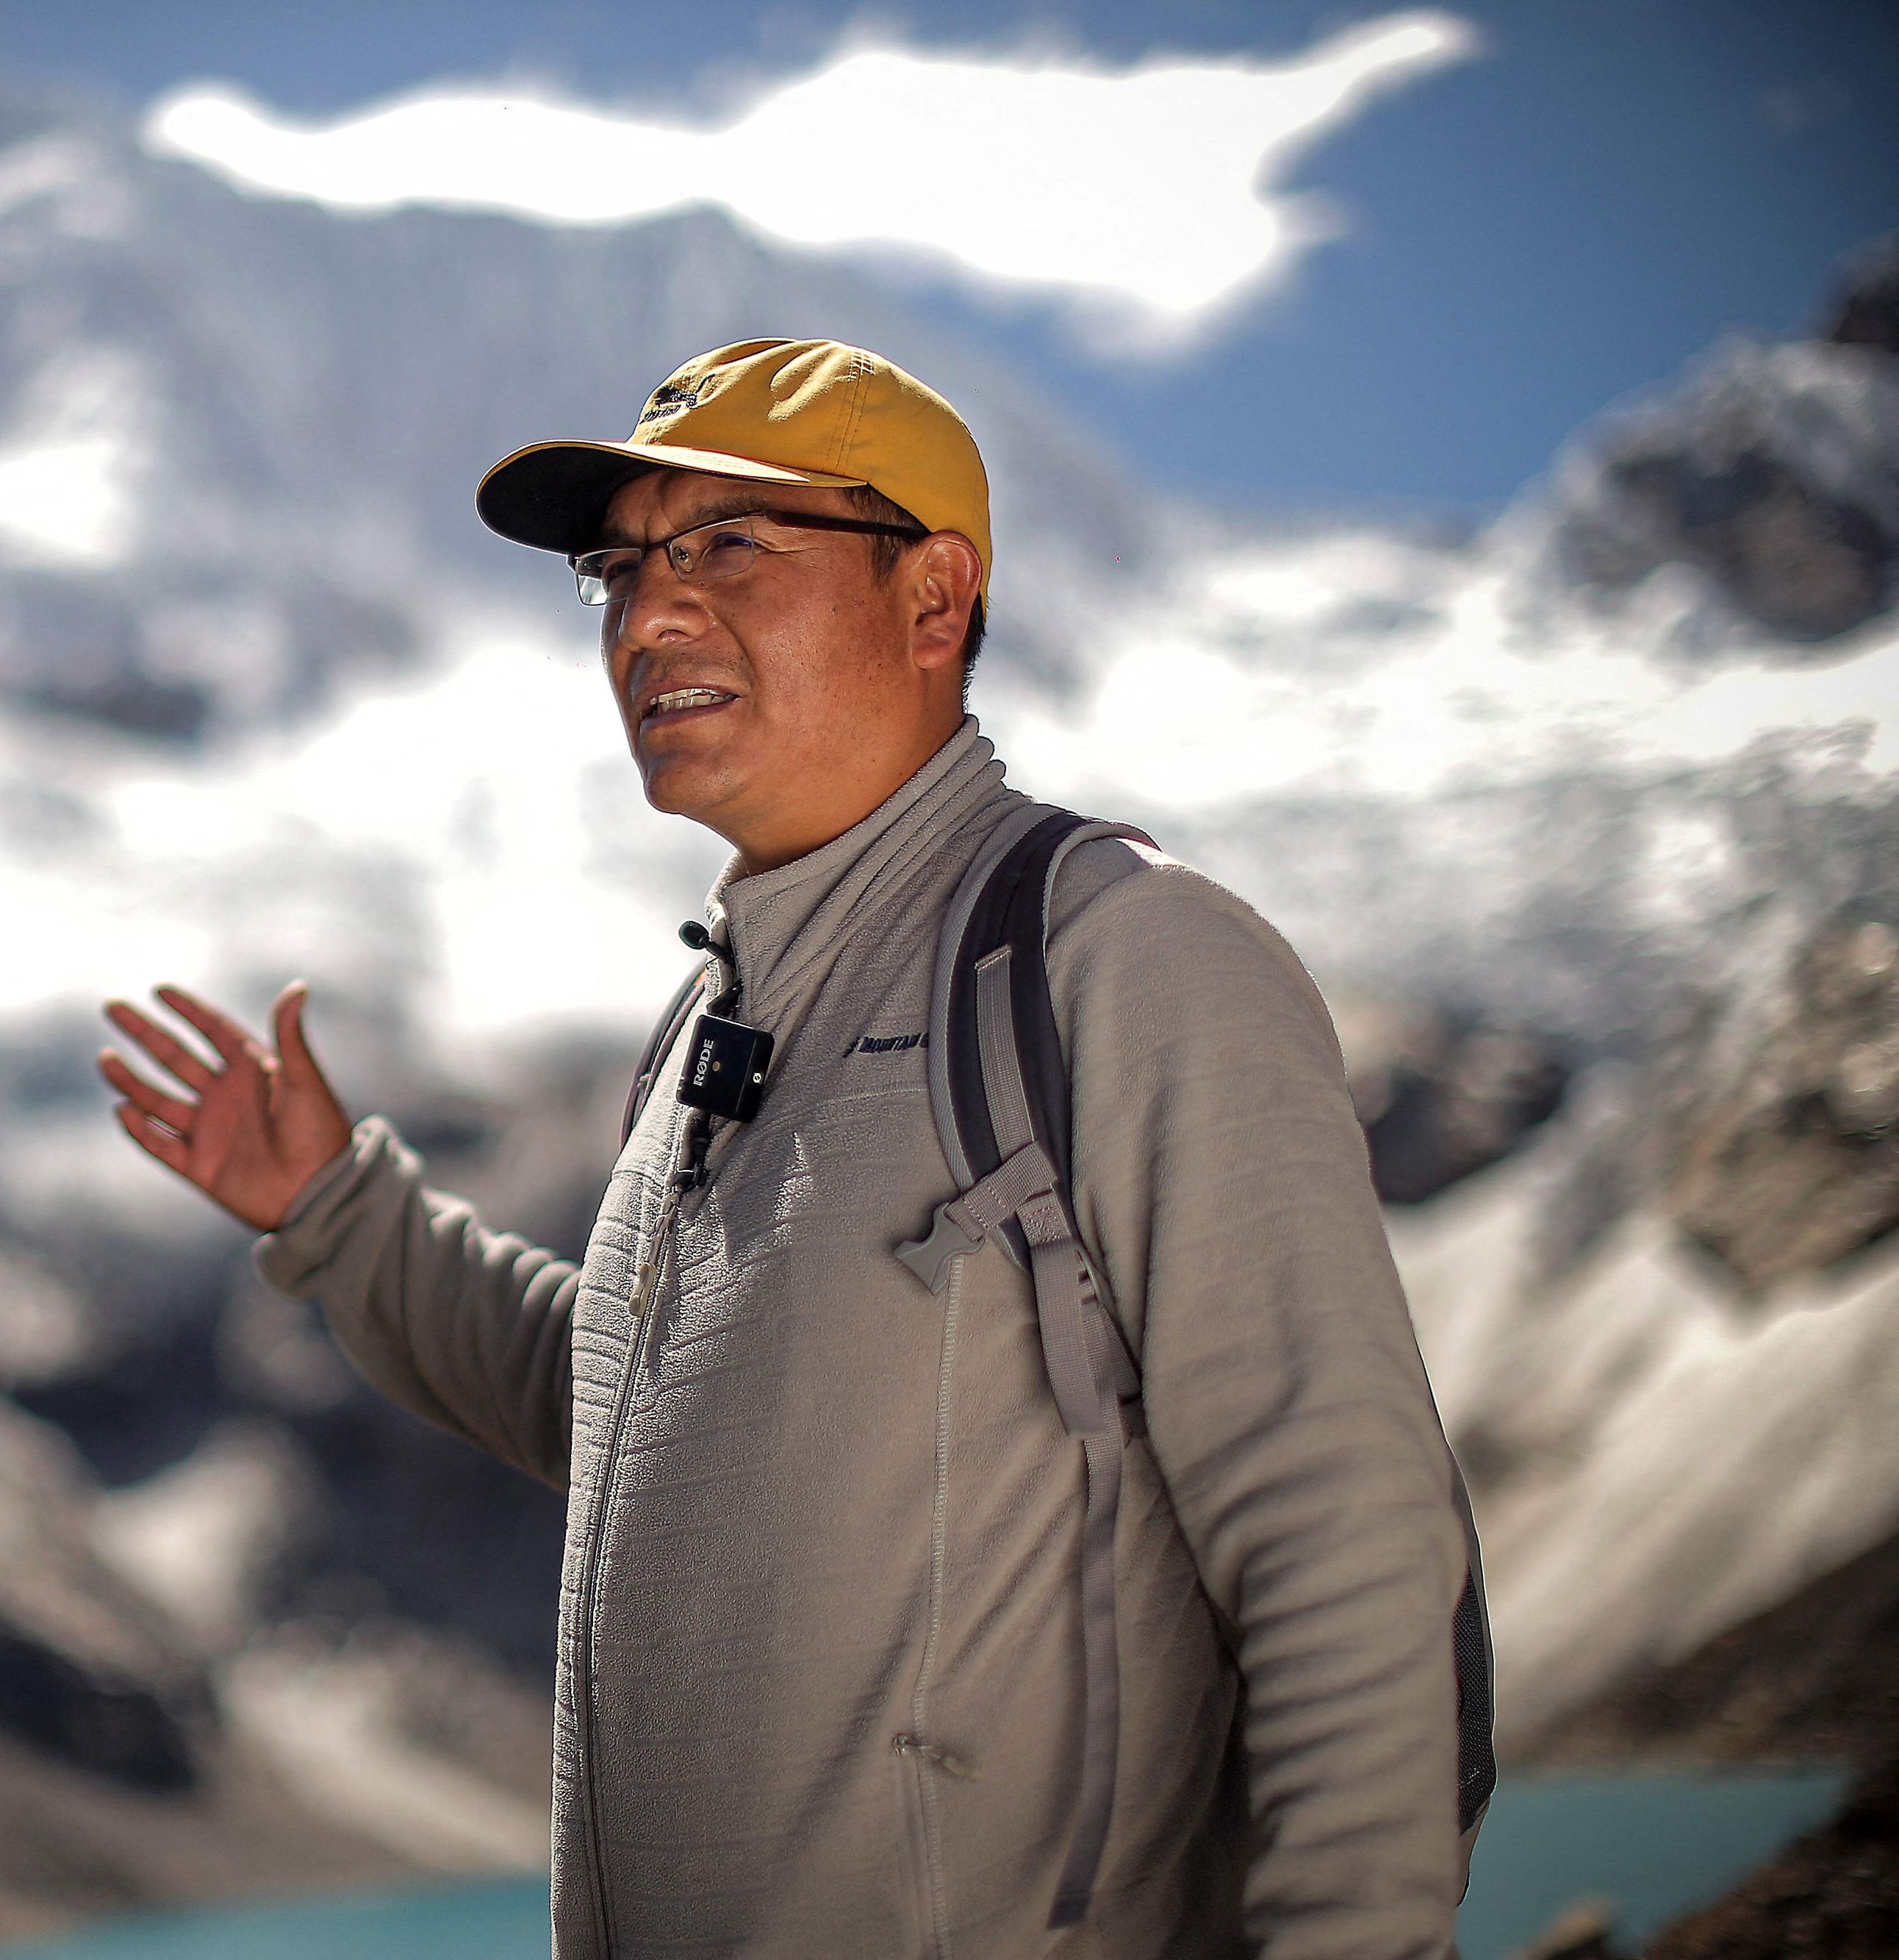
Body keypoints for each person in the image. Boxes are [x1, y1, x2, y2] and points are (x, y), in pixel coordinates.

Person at [98, 339, 1477, 1956]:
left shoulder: (1122, 957)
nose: (648, 611)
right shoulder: (705, 1027)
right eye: (620, 565)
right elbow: (635, 1411)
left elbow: (1343, 1534)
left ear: (932, 596)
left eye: (725, 545)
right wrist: (338, 1213)